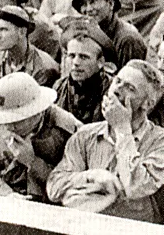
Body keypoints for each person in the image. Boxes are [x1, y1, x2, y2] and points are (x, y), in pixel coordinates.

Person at [48, 60, 164, 221]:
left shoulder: (159, 142)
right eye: (117, 81)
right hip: (87, 226)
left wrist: (122, 129)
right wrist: (92, 176)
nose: (117, 90)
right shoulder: (86, 135)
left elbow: (135, 187)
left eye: (130, 88)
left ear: (148, 103)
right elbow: (54, 188)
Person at [0, 72, 80, 201]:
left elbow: (76, 188)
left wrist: (32, 162)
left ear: (37, 112)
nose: (9, 127)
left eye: (16, 120)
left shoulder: (67, 131)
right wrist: (4, 195)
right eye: (5, 120)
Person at [71, 0, 147, 68]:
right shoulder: (88, 34)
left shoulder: (128, 39)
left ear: (110, 4)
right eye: (83, 4)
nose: (88, 9)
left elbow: (129, 79)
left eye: (93, 1)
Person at [53, 21, 114, 125]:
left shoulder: (112, 92)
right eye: (72, 56)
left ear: (100, 62)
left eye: (84, 57)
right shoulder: (59, 87)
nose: (76, 63)